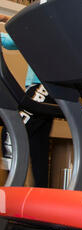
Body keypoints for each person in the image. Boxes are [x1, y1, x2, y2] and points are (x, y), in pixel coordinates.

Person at [0, 14, 54, 187]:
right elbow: (9, 41)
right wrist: (7, 19)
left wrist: (9, 20)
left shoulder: (48, 29)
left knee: (12, 132)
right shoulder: (35, 33)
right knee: (37, 145)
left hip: (43, 85)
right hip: (40, 88)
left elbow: (22, 33)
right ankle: (41, 197)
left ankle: (11, 189)